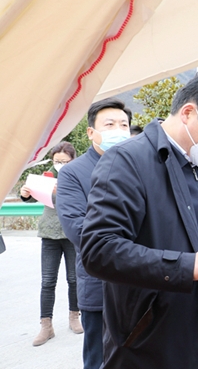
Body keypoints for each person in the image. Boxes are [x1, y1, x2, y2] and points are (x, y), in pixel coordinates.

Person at [79, 68, 198, 368]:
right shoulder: (127, 160)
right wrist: (185, 266)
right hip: (151, 340)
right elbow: (99, 250)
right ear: (188, 113)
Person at [56, 98, 131, 369]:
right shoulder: (73, 173)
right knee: (100, 359)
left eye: (123, 125)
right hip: (99, 283)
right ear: (91, 132)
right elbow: (77, 229)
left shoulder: (140, 166)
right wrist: (136, 251)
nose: (118, 130)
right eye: (109, 124)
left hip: (142, 284)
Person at [20, 141, 83, 346]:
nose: (60, 165)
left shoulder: (80, 174)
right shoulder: (47, 176)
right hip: (49, 233)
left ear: (73, 160)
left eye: (65, 161)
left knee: (74, 278)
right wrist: (25, 194)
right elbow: (33, 196)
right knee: (48, 280)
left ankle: (74, 316)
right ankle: (46, 325)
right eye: (57, 161)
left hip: (72, 233)